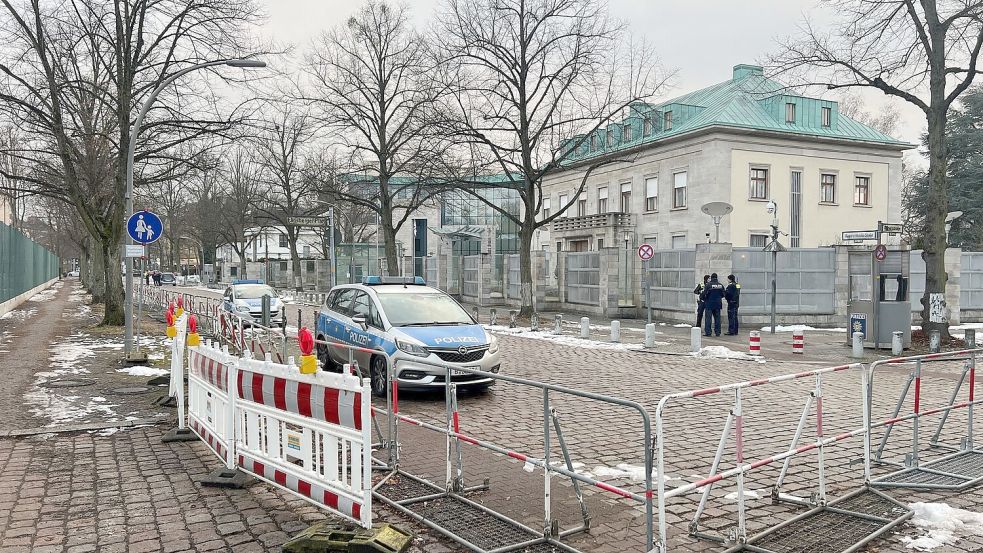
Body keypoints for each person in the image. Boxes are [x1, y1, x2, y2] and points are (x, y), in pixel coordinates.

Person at [703, 273, 725, 337]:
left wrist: (703, 298)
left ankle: (708, 332)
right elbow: (723, 294)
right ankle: (718, 332)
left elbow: (704, 294)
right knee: (717, 319)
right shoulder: (720, 285)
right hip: (718, 304)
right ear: (716, 277)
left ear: (711, 278)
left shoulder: (708, 285)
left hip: (709, 304)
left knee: (708, 319)